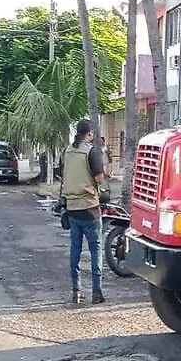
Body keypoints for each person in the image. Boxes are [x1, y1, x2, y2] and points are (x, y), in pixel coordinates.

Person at [60, 119, 108, 304]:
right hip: (90, 209)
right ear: (89, 133)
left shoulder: (68, 151)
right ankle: (97, 293)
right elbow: (99, 177)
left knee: (75, 251)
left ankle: (76, 291)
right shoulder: (91, 151)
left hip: (73, 208)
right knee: (96, 250)